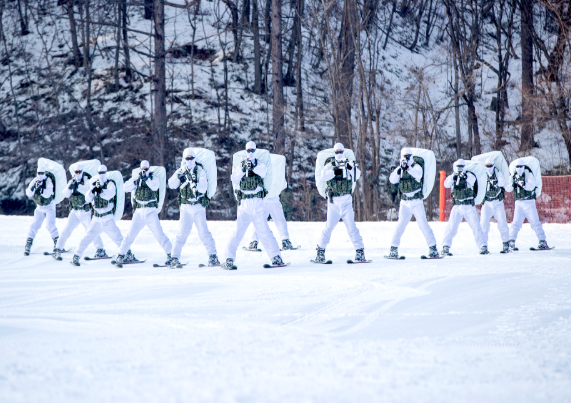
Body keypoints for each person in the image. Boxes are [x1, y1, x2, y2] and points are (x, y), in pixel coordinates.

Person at [222, 141, 284, 269]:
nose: (250, 153)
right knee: (237, 232)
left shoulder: (260, 164)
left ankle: (276, 257)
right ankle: (228, 258)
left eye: (252, 150)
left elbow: (263, 173)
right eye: (248, 150)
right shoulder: (241, 165)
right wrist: (244, 169)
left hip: (257, 202)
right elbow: (234, 178)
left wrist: (253, 168)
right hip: (244, 202)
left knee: (264, 231)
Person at [313, 143, 366, 263]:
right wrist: (334, 171)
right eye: (336, 152)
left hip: (346, 200)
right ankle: (320, 252)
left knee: (352, 227)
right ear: (334, 153)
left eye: (340, 152)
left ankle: (360, 251)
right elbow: (323, 177)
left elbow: (357, 175)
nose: (338, 154)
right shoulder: (330, 165)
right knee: (328, 227)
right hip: (334, 202)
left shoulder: (349, 163)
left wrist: (349, 167)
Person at [115, 160, 173, 266]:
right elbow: (125, 187)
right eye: (143, 169)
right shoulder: (137, 178)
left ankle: (172, 255)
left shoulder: (154, 178)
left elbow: (155, 187)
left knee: (159, 235)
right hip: (138, 212)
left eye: (146, 169)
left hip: (150, 211)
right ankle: (121, 255)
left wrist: (147, 179)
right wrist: (135, 181)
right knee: (130, 235)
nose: (144, 171)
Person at [168, 148, 219, 267]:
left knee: (203, 233)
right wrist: (178, 177)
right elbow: (171, 185)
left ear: (194, 159)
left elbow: (203, 188)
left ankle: (213, 256)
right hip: (185, 207)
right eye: (187, 158)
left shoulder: (200, 171)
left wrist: (193, 183)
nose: (189, 160)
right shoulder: (181, 170)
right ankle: (174, 257)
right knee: (181, 233)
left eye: (191, 158)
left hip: (198, 206)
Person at [386, 148, 438, 259]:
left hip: (416, 201)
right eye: (404, 156)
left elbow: (418, 175)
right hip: (404, 202)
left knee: (423, 224)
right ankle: (393, 249)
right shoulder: (401, 167)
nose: (406, 158)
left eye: (408, 156)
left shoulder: (416, 166)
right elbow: (392, 179)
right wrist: (400, 168)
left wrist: (408, 168)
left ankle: (433, 248)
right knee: (400, 225)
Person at [70, 165, 125, 266]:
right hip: (96, 218)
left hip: (107, 217)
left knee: (118, 237)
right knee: (87, 237)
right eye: (100, 173)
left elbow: (110, 194)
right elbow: (87, 198)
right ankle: (76, 255)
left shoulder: (110, 184)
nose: (101, 175)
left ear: (106, 173)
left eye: (103, 172)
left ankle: (126, 254)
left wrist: (101, 191)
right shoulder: (94, 184)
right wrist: (92, 191)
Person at [54, 163, 107, 260]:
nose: (78, 174)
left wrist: (77, 186)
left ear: (82, 172)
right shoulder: (72, 181)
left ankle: (100, 249)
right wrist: (71, 186)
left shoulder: (87, 180)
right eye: (76, 172)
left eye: (79, 172)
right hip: (74, 211)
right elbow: (65, 194)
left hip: (85, 211)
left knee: (91, 231)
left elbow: (88, 191)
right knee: (67, 230)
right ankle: (58, 248)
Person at [441, 159, 489, 256]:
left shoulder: (470, 175)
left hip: (468, 206)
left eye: (461, 167)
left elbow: (473, 180)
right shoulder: (453, 176)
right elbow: (446, 184)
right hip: (457, 206)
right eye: (458, 167)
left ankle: (483, 245)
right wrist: (454, 177)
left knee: (476, 226)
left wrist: (465, 176)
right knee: (451, 226)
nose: (460, 169)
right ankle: (445, 246)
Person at [508, 158, 549, 250]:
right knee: (515, 223)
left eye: (520, 166)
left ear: (524, 167)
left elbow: (531, 186)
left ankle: (542, 240)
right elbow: (508, 188)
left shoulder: (528, 174)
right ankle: (511, 241)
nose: (519, 168)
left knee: (535, 222)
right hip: (518, 203)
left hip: (529, 202)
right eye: (517, 166)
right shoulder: (513, 175)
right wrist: (512, 184)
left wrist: (522, 184)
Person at [247, 178, 295, 251]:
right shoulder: (277, 169)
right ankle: (285, 241)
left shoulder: (263, 167)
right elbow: (283, 184)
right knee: (280, 221)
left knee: (259, 221)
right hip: (273, 199)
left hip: (263, 198)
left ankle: (254, 242)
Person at [24, 162, 59, 255]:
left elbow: (48, 194)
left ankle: (58, 245)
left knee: (50, 225)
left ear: (44, 173)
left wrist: (41, 190)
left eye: (42, 173)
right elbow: (28, 193)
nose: (40, 175)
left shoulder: (48, 181)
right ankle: (28, 244)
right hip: (39, 207)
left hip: (49, 206)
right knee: (34, 225)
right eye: (38, 173)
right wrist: (33, 189)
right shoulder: (35, 180)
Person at [479, 157, 510, 253]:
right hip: (487, 203)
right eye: (487, 166)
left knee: (502, 222)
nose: (488, 167)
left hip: (497, 202)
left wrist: (495, 182)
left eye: (490, 166)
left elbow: (502, 182)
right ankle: (483, 245)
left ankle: (506, 243)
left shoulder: (497, 172)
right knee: (483, 223)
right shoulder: (483, 174)